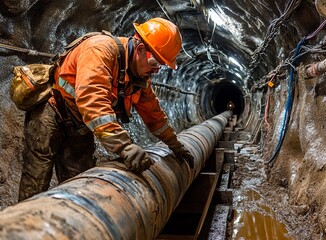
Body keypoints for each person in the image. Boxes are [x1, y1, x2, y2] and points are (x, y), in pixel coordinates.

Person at [18, 17, 194, 201]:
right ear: (140, 49)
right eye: (155, 64)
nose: (156, 71)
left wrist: (176, 146)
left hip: (80, 124)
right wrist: (124, 147)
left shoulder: (138, 78)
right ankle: (23, 225)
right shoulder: (100, 50)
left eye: (161, 66)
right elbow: (93, 102)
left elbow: (155, 116)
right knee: (36, 181)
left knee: (80, 186)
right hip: (51, 113)